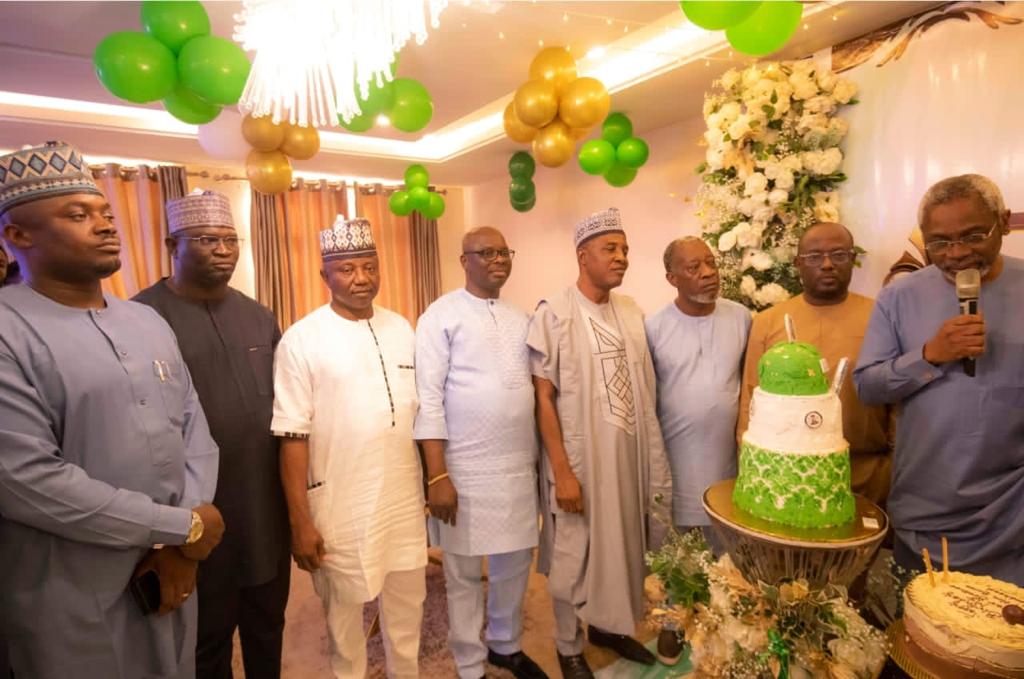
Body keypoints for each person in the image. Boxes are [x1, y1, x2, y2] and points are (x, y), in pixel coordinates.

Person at [0, 141, 224, 678]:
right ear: (19, 236)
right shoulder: (8, 330)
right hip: (72, 590)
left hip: (171, 572)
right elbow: (26, 480)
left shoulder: (146, 321)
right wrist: (181, 526)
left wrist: (182, 540)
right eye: (78, 215)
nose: (105, 225)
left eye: (105, 212)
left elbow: (194, 430)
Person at [134, 190, 291, 679]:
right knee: (206, 639)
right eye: (206, 239)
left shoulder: (258, 315)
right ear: (172, 246)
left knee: (268, 624)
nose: (223, 250)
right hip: (195, 508)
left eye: (230, 239)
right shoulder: (140, 319)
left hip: (264, 505)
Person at [272, 217, 427, 678]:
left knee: (407, 609)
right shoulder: (302, 339)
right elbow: (291, 435)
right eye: (346, 269)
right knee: (343, 618)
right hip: (340, 503)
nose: (361, 278)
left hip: (402, 498)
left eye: (369, 267)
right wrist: (300, 521)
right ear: (325, 275)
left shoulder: (402, 328)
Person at [854, 174, 1024, 585]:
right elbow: (867, 386)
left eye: (973, 236)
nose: (957, 253)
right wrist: (930, 355)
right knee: (922, 619)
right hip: (927, 506)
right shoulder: (899, 296)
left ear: (1003, 223)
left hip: (1012, 513)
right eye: (940, 242)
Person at [528, 208, 672, 679]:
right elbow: (543, 398)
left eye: (625, 249)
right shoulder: (554, 313)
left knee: (624, 545)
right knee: (575, 552)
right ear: (582, 256)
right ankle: (568, 645)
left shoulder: (631, 311)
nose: (621, 257)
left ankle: (608, 628)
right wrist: (562, 472)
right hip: (581, 461)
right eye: (610, 248)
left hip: (627, 459)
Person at [414, 227, 546, 679]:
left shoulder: (521, 317)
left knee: (515, 563)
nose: (498, 260)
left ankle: (505, 645)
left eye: (504, 252)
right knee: (464, 574)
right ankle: (470, 663)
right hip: (464, 470)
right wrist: (438, 476)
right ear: (464, 261)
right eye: (486, 253)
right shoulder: (440, 316)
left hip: (517, 466)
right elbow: (428, 399)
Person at [738, 222, 892, 507]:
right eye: (814, 257)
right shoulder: (769, 321)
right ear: (798, 263)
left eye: (839, 255)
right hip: (786, 475)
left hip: (867, 473)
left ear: (852, 259)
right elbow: (751, 398)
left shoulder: (880, 316)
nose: (827, 264)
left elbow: (897, 397)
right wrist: (752, 466)